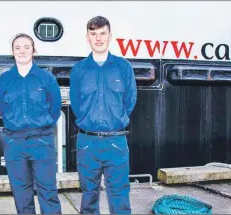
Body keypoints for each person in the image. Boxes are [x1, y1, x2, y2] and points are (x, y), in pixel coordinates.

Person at [69, 16, 137, 214]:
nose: (98, 38)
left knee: (119, 194)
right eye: (93, 34)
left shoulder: (123, 67)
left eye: (102, 33)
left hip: (116, 142)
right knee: (88, 194)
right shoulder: (79, 70)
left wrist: (113, 120)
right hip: (87, 142)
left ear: (110, 36)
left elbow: (130, 101)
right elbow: (76, 104)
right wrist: (89, 123)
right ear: (87, 37)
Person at [0, 33, 63, 214]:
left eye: (26, 47)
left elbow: (55, 108)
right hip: (14, 143)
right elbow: (3, 109)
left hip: (41, 141)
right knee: (21, 194)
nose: (22, 51)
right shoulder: (5, 80)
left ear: (34, 50)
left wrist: (43, 125)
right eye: (17, 47)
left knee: (48, 191)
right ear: (12, 52)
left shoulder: (46, 78)